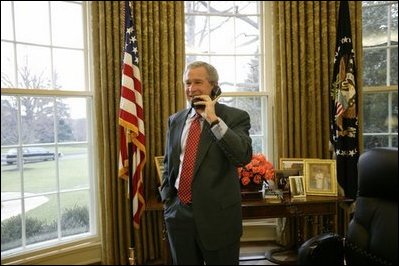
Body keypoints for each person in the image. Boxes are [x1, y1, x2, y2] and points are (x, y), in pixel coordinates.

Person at [160, 61, 253, 265]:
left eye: (198, 82)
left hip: (218, 219)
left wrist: (213, 119)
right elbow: (169, 165)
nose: (191, 89)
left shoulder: (234, 117)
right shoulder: (175, 120)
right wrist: (168, 201)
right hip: (178, 215)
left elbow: (242, 156)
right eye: (187, 83)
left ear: (214, 86)